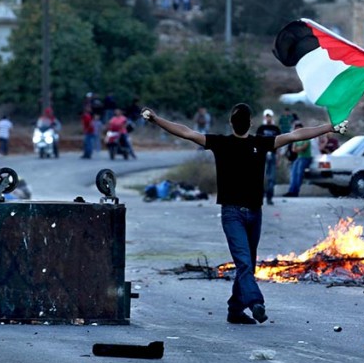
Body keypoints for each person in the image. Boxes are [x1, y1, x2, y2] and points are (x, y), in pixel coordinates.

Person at [141, 104, 344, 325]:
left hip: (254, 214)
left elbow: (296, 135)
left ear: (235, 122)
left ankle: (235, 310)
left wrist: (329, 128)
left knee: (248, 264)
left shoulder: (259, 143)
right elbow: (186, 132)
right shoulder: (222, 143)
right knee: (244, 263)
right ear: (250, 123)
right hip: (232, 214)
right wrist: (156, 119)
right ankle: (256, 302)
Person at [256, 109, 282, 205]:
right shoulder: (261, 128)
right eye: (267, 116)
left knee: (272, 177)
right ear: (264, 117)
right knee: (261, 176)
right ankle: (260, 196)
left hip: (273, 154)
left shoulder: (276, 129)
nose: (268, 118)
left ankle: (269, 197)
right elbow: (257, 143)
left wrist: (279, 158)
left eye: (269, 116)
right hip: (263, 154)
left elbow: (280, 144)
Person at [283, 122, 313, 197]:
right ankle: (291, 190)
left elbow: (304, 147)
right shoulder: (296, 139)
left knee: (299, 173)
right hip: (299, 157)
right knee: (293, 174)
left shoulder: (306, 137)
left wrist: (298, 148)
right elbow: (293, 149)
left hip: (305, 158)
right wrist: (299, 149)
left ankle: (296, 191)